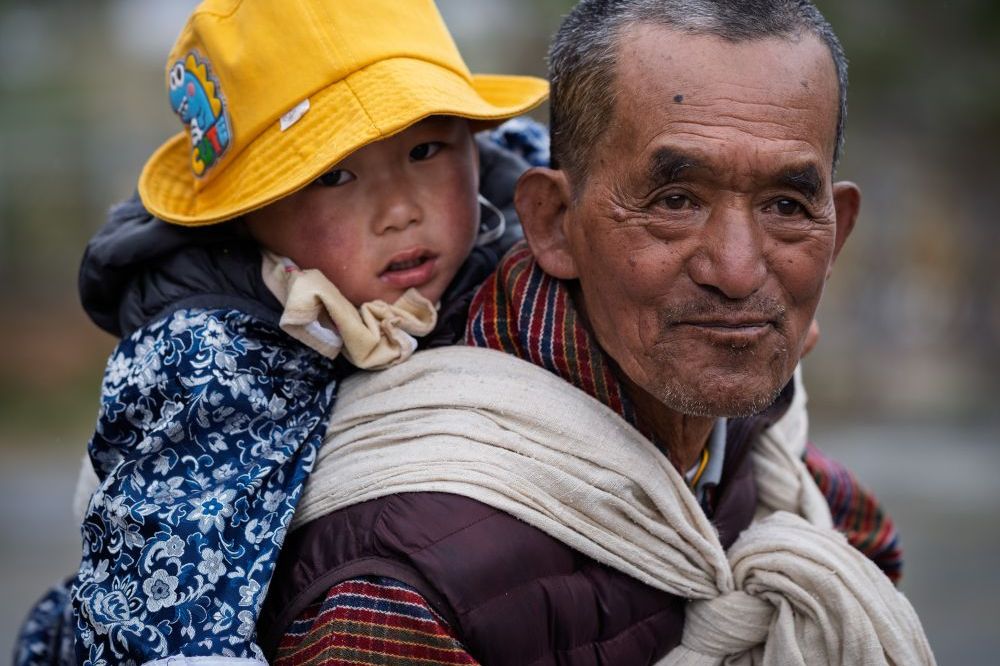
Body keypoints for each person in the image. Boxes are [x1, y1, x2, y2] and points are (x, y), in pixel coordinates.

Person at [254, 0, 935, 664]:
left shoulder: (764, 446)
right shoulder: (397, 597)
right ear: (554, 223)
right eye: (675, 201)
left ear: (837, 233)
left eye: (786, 206)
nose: (737, 271)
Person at [13, 1, 546, 664]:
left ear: (474, 140)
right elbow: (163, 619)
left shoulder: (532, 216)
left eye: (425, 150)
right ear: (247, 211)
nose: (400, 210)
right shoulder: (208, 360)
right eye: (333, 175)